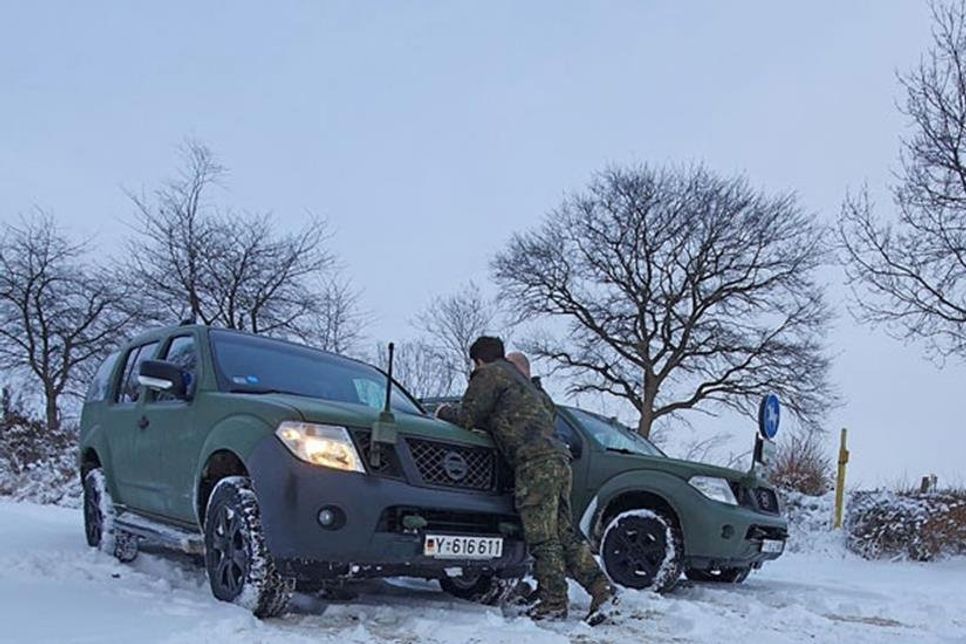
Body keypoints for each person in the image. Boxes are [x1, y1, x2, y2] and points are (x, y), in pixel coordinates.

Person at [436, 337, 617, 624]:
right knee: (564, 533)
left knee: (542, 536)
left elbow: (468, 417)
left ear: (478, 360)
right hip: (559, 459)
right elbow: (546, 413)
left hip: (534, 463)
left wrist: (443, 411)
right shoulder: (527, 386)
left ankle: (554, 603)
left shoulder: (490, 374)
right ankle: (601, 590)